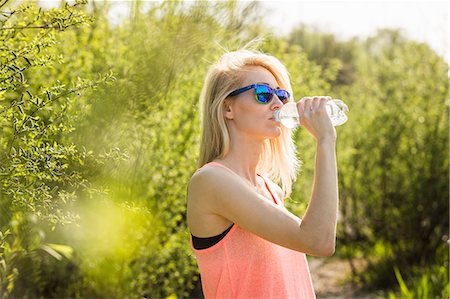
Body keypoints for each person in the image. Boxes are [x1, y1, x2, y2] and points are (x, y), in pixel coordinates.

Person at [186, 48, 339, 299]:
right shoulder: (210, 181)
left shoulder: (270, 190)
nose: (278, 104)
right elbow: (318, 241)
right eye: (263, 94)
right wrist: (325, 141)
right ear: (228, 109)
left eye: (281, 95)